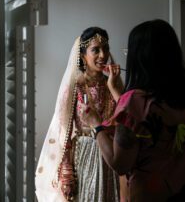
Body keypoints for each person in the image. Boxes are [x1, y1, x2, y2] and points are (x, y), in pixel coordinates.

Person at [83, 19, 185, 201]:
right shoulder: (177, 95)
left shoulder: (133, 101)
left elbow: (119, 164)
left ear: (140, 57)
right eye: (95, 50)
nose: (103, 55)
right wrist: (117, 93)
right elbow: (143, 116)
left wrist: (96, 125)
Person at [35, 27, 124, 201]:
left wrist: (114, 88)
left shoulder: (112, 84)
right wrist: (66, 172)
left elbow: (127, 119)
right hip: (84, 158)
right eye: (95, 50)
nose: (102, 55)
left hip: (110, 156)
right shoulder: (75, 87)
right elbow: (64, 129)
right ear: (83, 55)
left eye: (105, 49)